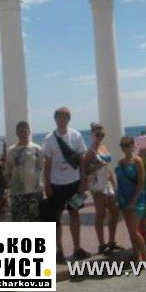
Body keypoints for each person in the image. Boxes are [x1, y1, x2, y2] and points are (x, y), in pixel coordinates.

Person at [42, 107, 89, 263]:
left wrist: (83, 180)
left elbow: (82, 159)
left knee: (75, 214)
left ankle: (77, 248)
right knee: (55, 217)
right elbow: (47, 164)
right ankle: (58, 250)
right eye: (59, 117)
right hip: (56, 184)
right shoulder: (49, 139)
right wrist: (47, 185)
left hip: (75, 183)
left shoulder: (76, 136)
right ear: (55, 119)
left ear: (69, 119)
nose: (61, 120)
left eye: (64, 117)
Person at [84, 123, 122, 255]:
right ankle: (101, 244)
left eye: (102, 134)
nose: (100, 137)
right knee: (100, 214)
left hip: (107, 182)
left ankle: (112, 241)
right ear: (92, 134)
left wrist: (114, 183)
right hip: (97, 184)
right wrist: (97, 166)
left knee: (114, 212)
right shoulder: (90, 151)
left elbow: (108, 167)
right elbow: (85, 170)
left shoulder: (103, 147)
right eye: (97, 134)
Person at [115, 136, 146, 262]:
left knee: (133, 231)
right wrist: (118, 199)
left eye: (126, 145)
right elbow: (119, 183)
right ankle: (137, 256)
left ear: (132, 146)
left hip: (137, 200)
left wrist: (133, 202)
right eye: (122, 145)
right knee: (130, 230)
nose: (124, 148)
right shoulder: (120, 162)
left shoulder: (137, 161)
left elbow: (141, 183)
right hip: (124, 200)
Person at [5, 121, 44, 222]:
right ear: (16, 133)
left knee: (36, 221)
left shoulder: (37, 149)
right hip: (17, 193)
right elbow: (9, 171)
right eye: (20, 131)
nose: (22, 134)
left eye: (24, 131)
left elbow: (40, 167)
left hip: (35, 192)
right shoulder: (11, 150)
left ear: (29, 132)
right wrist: (7, 190)